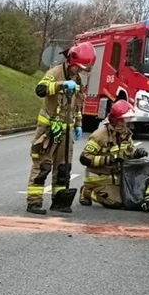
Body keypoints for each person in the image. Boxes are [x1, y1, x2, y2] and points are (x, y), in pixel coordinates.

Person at [27, 42, 95, 215]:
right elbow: (40, 89)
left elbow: (77, 104)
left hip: (67, 130)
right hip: (49, 129)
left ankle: (59, 201)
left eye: (82, 69)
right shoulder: (55, 73)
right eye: (78, 67)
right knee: (43, 165)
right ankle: (34, 202)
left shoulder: (77, 78)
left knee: (63, 168)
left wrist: (78, 124)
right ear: (71, 60)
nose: (79, 71)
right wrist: (60, 85)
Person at [77, 100, 147, 208]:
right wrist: (110, 159)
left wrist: (136, 153)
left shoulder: (125, 134)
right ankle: (87, 192)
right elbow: (84, 158)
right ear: (115, 120)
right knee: (115, 203)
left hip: (116, 177)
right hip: (99, 178)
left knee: (130, 200)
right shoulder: (100, 135)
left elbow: (128, 153)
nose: (127, 123)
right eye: (124, 120)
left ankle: (107, 192)